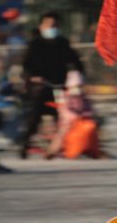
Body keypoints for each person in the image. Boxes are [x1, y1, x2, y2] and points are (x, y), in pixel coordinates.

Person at [19, 11, 84, 159]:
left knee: (62, 119)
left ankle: (60, 147)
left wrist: (78, 75)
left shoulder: (63, 43)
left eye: (54, 25)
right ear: (41, 26)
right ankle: (25, 146)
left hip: (60, 86)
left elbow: (75, 61)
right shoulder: (34, 44)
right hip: (41, 87)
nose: (52, 27)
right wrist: (33, 77)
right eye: (48, 25)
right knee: (34, 119)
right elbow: (26, 66)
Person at [45, 70, 103, 159]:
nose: (78, 89)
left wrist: (88, 114)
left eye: (80, 86)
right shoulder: (66, 96)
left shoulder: (83, 97)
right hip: (68, 122)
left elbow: (89, 107)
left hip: (82, 121)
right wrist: (73, 116)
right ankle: (52, 151)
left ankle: (91, 149)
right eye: (76, 86)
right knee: (62, 135)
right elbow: (64, 109)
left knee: (92, 129)